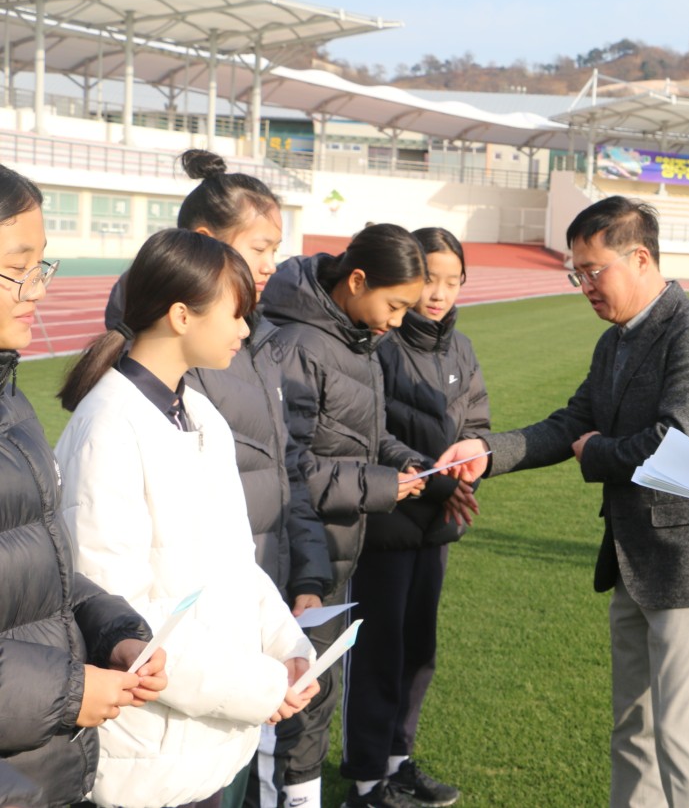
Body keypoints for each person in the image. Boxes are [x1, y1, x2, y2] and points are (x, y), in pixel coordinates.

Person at [435, 196, 689, 808]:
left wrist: (597, 453)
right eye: (576, 273)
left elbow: (677, 442)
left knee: (683, 740)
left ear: (640, 258)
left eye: (593, 270)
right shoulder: (615, 341)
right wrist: (486, 450)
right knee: (633, 733)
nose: (584, 285)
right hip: (634, 560)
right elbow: (571, 423)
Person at [56, 229, 318, 808]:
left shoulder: (201, 414)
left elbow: (238, 565)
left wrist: (288, 647)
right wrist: (262, 686)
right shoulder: (108, 428)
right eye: (236, 313)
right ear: (181, 316)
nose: (246, 330)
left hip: (207, 743)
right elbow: (122, 616)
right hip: (146, 758)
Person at [104, 149, 332, 808]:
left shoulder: (219, 383)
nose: (272, 265)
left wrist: (289, 619)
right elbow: (121, 601)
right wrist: (258, 680)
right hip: (166, 718)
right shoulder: (122, 413)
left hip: (229, 660)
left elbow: (268, 491)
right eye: (261, 248)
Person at [0, 165, 166, 807]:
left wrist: (112, 630)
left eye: (42, 264)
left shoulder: (11, 401)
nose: (38, 288)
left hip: (39, 769)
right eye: (18, 267)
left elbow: (39, 574)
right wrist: (69, 690)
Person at [259, 223, 432, 808]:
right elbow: (289, 466)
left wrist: (405, 462)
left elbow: (364, 437)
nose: (398, 321)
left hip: (334, 543)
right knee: (295, 692)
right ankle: (290, 795)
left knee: (316, 688)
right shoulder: (300, 345)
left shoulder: (356, 339)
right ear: (357, 281)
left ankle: (301, 792)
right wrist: (381, 485)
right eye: (395, 305)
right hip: (295, 548)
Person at [341, 228, 488, 808]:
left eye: (454, 281)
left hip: (436, 525)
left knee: (419, 649)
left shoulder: (462, 348)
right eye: (430, 280)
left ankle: (398, 762)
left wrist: (465, 474)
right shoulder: (379, 342)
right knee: (377, 653)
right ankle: (366, 778)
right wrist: (440, 482)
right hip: (388, 521)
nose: (440, 294)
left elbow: (477, 423)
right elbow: (372, 434)